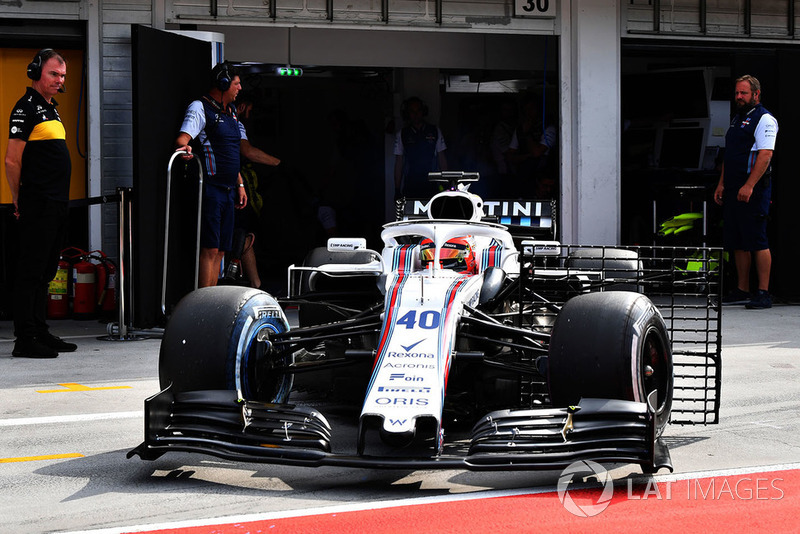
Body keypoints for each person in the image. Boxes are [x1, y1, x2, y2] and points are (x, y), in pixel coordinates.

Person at [175, 62, 280, 288]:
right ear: (223, 83)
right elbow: (183, 139)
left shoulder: (232, 112)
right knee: (210, 248)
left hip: (229, 190)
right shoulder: (200, 107)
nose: (240, 88)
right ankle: (203, 306)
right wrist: (185, 149)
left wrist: (240, 184)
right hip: (210, 188)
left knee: (222, 249)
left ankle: (212, 302)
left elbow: (233, 153)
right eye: (236, 83)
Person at [4, 49, 77, 358]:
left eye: (62, 76)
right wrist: (18, 198)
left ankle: (39, 329)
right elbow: (11, 160)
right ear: (36, 72)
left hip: (57, 203)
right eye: (53, 74)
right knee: (31, 271)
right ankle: (25, 338)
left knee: (47, 271)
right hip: (37, 202)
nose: (58, 81)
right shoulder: (25, 108)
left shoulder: (53, 108)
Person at [713, 75, 778, 309]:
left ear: (756, 95)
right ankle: (742, 289)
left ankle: (763, 292)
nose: (739, 97)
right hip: (732, 190)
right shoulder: (736, 119)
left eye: (744, 93)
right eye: (737, 93)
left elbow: (765, 155)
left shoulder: (765, 120)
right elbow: (730, 155)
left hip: (754, 191)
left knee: (757, 240)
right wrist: (721, 184)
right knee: (737, 240)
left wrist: (749, 185)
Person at [393, 96, 448, 199]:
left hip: (431, 184)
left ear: (423, 112)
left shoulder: (435, 131)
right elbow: (398, 163)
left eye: (418, 111)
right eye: (412, 111)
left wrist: (445, 184)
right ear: (407, 114)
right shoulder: (402, 134)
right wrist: (397, 189)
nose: (415, 114)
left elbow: (442, 159)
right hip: (410, 185)